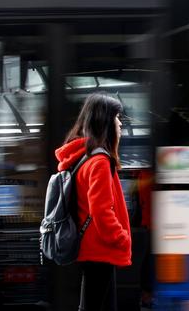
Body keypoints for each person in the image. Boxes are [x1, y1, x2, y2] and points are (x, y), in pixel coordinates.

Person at [54, 93, 132, 311]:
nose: (120, 123)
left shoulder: (85, 158)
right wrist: (120, 237)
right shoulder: (99, 162)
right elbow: (101, 210)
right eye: (116, 117)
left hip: (94, 248)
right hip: (101, 248)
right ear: (105, 122)